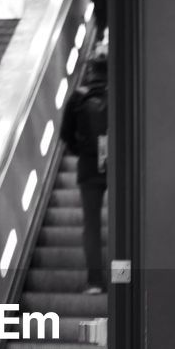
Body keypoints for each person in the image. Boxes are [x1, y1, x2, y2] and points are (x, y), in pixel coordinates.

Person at [60, 54, 109, 293]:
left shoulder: (78, 97)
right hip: (118, 167)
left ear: (90, 72)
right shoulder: (120, 95)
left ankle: (95, 282)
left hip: (88, 167)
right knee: (121, 225)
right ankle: (123, 280)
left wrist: (80, 150)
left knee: (92, 226)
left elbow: (65, 134)